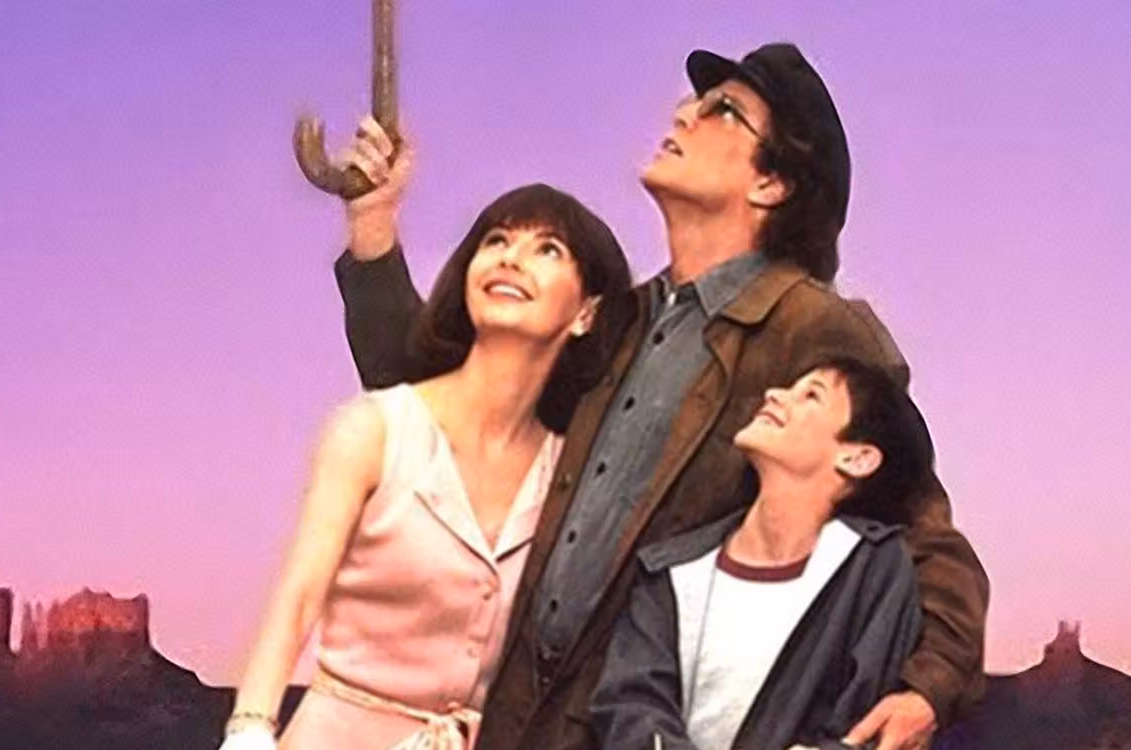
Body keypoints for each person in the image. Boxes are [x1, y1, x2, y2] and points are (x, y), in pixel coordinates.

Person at [335, 43, 989, 750]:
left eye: (722, 111)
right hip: (514, 719)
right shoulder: (614, 318)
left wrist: (928, 686)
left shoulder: (816, 330)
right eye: (692, 102)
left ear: (772, 184)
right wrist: (374, 221)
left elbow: (921, 530)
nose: (683, 114)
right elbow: (439, 411)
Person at [219, 170, 634, 750]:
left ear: (587, 312)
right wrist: (250, 728)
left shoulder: (571, 476)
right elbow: (297, 598)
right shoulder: (373, 429)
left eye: (548, 249)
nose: (512, 258)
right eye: (497, 240)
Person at [591, 358, 934, 750]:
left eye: (811, 395)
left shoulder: (873, 569)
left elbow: (862, 726)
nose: (774, 394)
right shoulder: (672, 571)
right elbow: (630, 705)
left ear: (857, 458)